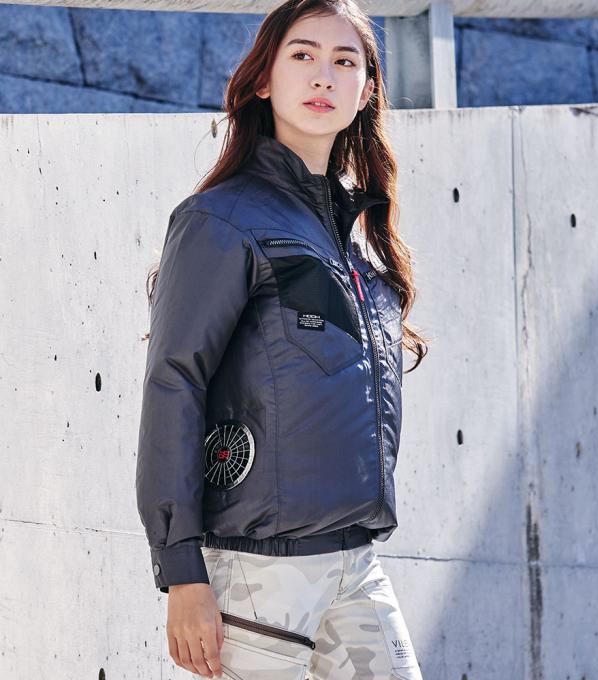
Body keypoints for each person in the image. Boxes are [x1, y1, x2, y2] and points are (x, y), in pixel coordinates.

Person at [136, 0, 430, 678]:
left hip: (356, 562)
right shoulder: (221, 220)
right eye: (303, 55)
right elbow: (174, 385)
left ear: (367, 91)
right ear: (264, 79)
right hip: (258, 571)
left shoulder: (356, 240)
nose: (324, 75)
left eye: (345, 61)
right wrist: (183, 572)